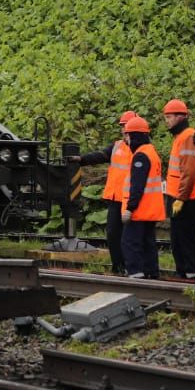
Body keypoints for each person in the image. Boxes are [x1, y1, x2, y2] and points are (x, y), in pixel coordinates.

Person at [72, 111, 136, 275]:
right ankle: (118, 267)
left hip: (131, 200)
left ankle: (132, 267)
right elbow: (101, 155)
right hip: (115, 198)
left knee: (130, 237)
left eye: (127, 126)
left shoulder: (141, 149)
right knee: (113, 235)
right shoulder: (117, 146)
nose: (124, 130)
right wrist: (82, 159)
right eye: (122, 126)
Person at [119, 115, 164, 279]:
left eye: (128, 135)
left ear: (135, 136)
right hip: (150, 210)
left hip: (139, 211)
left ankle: (136, 275)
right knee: (147, 243)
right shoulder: (151, 152)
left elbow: (137, 186)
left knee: (130, 243)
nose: (127, 140)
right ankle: (152, 274)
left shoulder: (140, 156)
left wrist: (130, 208)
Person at [163, 99, 195, 279]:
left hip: (186, 199)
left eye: (169, 117)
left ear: (181, 117)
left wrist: (181, 197)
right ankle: (185, 274)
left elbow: (189, 171)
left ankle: (192, 274)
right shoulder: (181, 137)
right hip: (179, 197)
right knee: (178, 240)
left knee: (186, 238)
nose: (167, 121)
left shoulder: (187, 137)